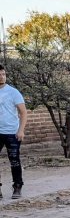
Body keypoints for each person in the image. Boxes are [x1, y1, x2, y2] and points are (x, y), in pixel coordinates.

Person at [0, 63, 27, 200]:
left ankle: (17, 186)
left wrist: (21, 130)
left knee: (14, 161)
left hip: (12, 132)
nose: (2, 77)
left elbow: (23, 112)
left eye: (3, 74)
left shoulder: (13, 92)